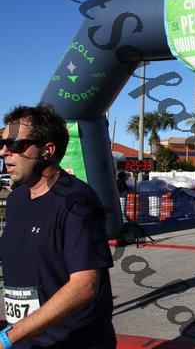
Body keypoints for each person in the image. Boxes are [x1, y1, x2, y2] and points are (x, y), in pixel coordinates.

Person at [0, 104, 115, 347]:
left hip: (74, 342)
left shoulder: (77, 201)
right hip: (25, 339)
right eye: (2, 144)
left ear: (47, 150)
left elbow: (84, 286)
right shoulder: (16, 199)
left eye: (14, 144)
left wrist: (7, 338)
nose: (3, 152)